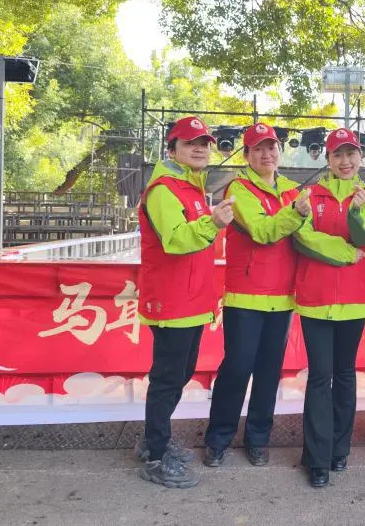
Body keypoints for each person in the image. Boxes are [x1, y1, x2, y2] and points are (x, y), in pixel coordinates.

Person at [204, 122, 311, 468]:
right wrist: (295, 214)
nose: (266, 154)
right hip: (245, 296)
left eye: (271, 147)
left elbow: (309, 235)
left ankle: (258, 438)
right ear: (247, 155)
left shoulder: (293, 190)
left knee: (269, 372)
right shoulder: (239, 189)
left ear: (280, 151)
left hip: (283, 297)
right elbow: (263, 231)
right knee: (237, 369)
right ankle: (218, 438)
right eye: (258, 149)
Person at [136, 116, 235, 489]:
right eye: (190, 143)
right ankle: (156, 454)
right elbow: (176, 240)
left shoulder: (191, 188)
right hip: (172, 302)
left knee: (177, 375)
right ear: (172, 149)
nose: (199, 149)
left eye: (204, 143)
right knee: (167, 379)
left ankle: (154, 441)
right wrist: (213, 223)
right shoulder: (164, 190)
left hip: (189, 302)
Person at [293, 128, 365, 488]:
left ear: (360, 157)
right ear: (328, 159)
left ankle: (339, 450)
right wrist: (345, 252)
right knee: (320, 377)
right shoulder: (309, 196)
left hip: (354, 300)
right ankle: (316, 458)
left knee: (345, 375)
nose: (345, 161)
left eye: (351, 154)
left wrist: (358, 214)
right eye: (338, 154)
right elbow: (302, 237)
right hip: (315, 299)